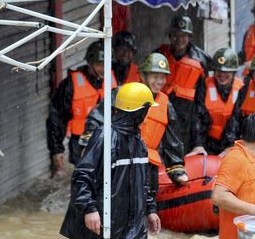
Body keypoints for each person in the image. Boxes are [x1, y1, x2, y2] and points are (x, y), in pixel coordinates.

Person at [59, 82, 161, 239]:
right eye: (146, 110)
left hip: (135, 233)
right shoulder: (105, 137)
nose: (148, 114)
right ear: (137, 111)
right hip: (105, 230)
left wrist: (150, 210)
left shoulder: (138, 141)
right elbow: (81, 176)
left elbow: (145, 181)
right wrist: (89, 209)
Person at [80, 53, 188, 187]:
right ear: (143, 76)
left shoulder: (166, 104)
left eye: (163, 77)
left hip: (148, 166)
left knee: (147, 202)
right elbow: (97, 118)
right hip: (121, 160)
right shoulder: (123, 93)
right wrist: (88, 146)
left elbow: (173, 142)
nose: (159, 81)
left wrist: (177, 170)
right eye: (155, 77)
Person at [46, 40, 117, 176]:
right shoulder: (70, 85)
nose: (103, 69)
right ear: (89, 62)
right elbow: (57, 118)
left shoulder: (114, 80)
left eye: (106, 65)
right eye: (99, 64)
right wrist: (57, 150)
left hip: (109, 140)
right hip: (81, 143)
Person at [155, 15, 211, 155]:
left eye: (184, 35)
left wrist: (198, 139)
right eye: (176, 35)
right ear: (170, 36)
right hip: (161, 111)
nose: (180, 39)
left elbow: (201, 102)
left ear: (190, 36)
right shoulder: (159, 55)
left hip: (187, 117)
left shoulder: (201, 60)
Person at [203, 48, 244, 156]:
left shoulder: (242, 89)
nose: (222, 75)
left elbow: (240, 122)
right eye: (219, 71)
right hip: (208, 143)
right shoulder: (204, 87)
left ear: (234, 72)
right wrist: (199, 145)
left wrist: (231, 146)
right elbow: (198, 118)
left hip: (233, 144)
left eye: (227, 72)